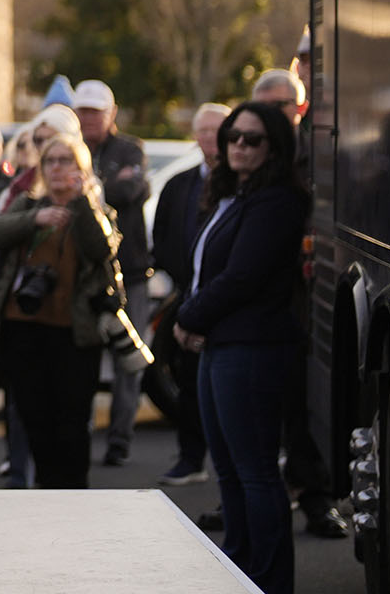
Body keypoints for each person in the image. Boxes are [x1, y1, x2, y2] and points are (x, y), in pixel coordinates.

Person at [174, 101, 305, 594]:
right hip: (222, 344)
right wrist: (192, 318)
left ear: (274, 148)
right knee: (227, 468)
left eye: (252, 139)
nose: (239, 147)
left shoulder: (277, 201)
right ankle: (240, 566)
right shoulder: (238, 196)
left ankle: (269, 580)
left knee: (255, 473)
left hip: (251, 348)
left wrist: (187, 317)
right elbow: (207, 270)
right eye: (233, 137)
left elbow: (243, 276)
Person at [0, 133, 121, 489]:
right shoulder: (28, 204)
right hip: (23, 328)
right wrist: (36, 218)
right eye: (51, 161)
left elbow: (101, 250)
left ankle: (75, 499)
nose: (57, 168)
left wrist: (80, 203)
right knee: (35, 421)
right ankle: (47, 495)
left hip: (75, 333)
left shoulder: (95, 212)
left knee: (72, 425)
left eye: (66, 161)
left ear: (82, 168)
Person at [248, 68, 344, 539]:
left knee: (306, 405)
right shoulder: (243, 163)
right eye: (264, 107)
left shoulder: (321, 155)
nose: (272, 117)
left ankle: (314, 497)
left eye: (282, 106)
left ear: (300, 108)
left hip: (308, 303)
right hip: (256, 310)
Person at [71, 79, 148, 467]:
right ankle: (77, 435)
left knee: (128, 362)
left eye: (94, 111)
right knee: (80, 356)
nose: (87, 119)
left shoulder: (130, 148)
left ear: (111, 114)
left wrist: (90, 188)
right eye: (82, 111)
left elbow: (129, 192)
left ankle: (119, 441)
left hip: (130, 274)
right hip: (84, 277)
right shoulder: (69, 149)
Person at [151, 102, 228, 486]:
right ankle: (190, 458)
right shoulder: (179, 184)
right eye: (204, 131)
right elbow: (162, 237)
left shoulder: (241, 185)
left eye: (218, 130)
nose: (209, 138)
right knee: (188, 382)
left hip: (229, 303)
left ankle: (231, 468)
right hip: (187, 297)